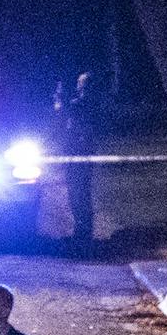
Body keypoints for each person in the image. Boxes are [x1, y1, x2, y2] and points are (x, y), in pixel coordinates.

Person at [61, 71, 103, 250]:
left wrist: (60, 100)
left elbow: (67, 110)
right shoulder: (82, 102)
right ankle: (81, 232)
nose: (79, 87)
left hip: (80, 154)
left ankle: (84, 234)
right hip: (74, 153)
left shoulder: (87, 102)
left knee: (80, 194)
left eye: (81, 84)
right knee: (76, 194)